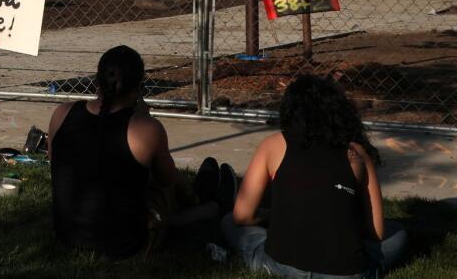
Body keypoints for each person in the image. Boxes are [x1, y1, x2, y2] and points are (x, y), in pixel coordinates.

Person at [48, 45, 232, 258]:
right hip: (125, 244)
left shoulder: (62, 113)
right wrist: (145, 119)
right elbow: (167, 179)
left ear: (96, 82)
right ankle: (210, 205)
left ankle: (200, 198)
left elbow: (55, 160)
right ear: (137, 89)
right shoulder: (145, 129)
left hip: (67, 235)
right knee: (162, 187)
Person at [223, 74, 407, 278]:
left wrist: (268, 217)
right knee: (397, 232)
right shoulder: (357, 153)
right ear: (339, 112)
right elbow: (377, 232)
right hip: (346, 273)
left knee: (230, 220)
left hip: (283, 267)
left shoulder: (273, 144)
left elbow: (242, 215)